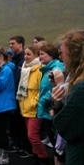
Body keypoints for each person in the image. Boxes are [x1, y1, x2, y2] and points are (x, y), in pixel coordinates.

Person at [53, 30, 84, 165]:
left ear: (73, 55)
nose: (61, 59)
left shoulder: (80, 88)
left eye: (63, 54)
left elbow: (65, 127)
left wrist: (57, 103)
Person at [16, 45, 49, 164]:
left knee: (32, 135)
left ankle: (43, 157)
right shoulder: (25, 69)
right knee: (31, 135)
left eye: (29, 54)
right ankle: (36, 156)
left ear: (36, 55)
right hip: (25, 106)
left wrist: (35, 102)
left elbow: (42, 89)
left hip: (34, 107)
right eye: (25, 54)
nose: (25, 57)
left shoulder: (40, 69)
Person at [37, 42, 65, 162]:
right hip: (47, 110)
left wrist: (42, 102)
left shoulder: (56, 68)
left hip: (51, 110)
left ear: (51, 55)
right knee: (55, 145)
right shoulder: (47, 68)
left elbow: (56, 88)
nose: (40, 57)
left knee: (58, 146)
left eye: (42, 54)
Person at [9, 36, 33, 158]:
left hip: (22, 96)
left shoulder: (23, 60)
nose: (10, 46)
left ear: (20, 44)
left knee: (23, 124)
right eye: (10, 44)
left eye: (13, 43)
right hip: (13, 95)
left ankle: (27, 148)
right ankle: (18, 144)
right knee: (16, 122)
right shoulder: (13, 59)